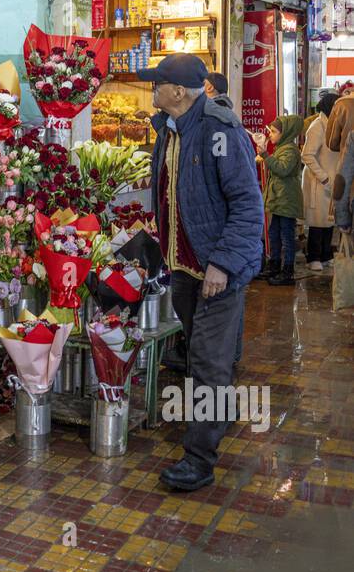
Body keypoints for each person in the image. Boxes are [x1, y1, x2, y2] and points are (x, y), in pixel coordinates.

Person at [135, 54, 265, 492]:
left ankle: (199, 460)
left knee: (208, 364)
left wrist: (223, 264)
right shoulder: (168, 130)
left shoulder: (219, 130)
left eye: (158, 83)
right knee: (201, 358)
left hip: (216, 268)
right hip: (184, 267)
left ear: (179, 91)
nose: (152, 89)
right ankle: (218, 414)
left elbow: (247, 204)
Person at [254, 115, 304, 286]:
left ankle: (287, 271)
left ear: (286, 133)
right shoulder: (282, 148)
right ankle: (274, 265)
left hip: (286, 201)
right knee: (274, 233)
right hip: (279, 200)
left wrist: (266, 156)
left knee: (287, 236)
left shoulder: (290, 150)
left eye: (274, 132)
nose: (271, 135)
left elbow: (283, 170)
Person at [300, 92, 340, 271]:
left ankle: (326, 254)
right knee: (317, 222)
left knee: (330, 220)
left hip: (331, 180)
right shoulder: (317, 127)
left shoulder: (335, 125)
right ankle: (314, 257)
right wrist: (323, 176)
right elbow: (307, 155)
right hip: (318, 181)